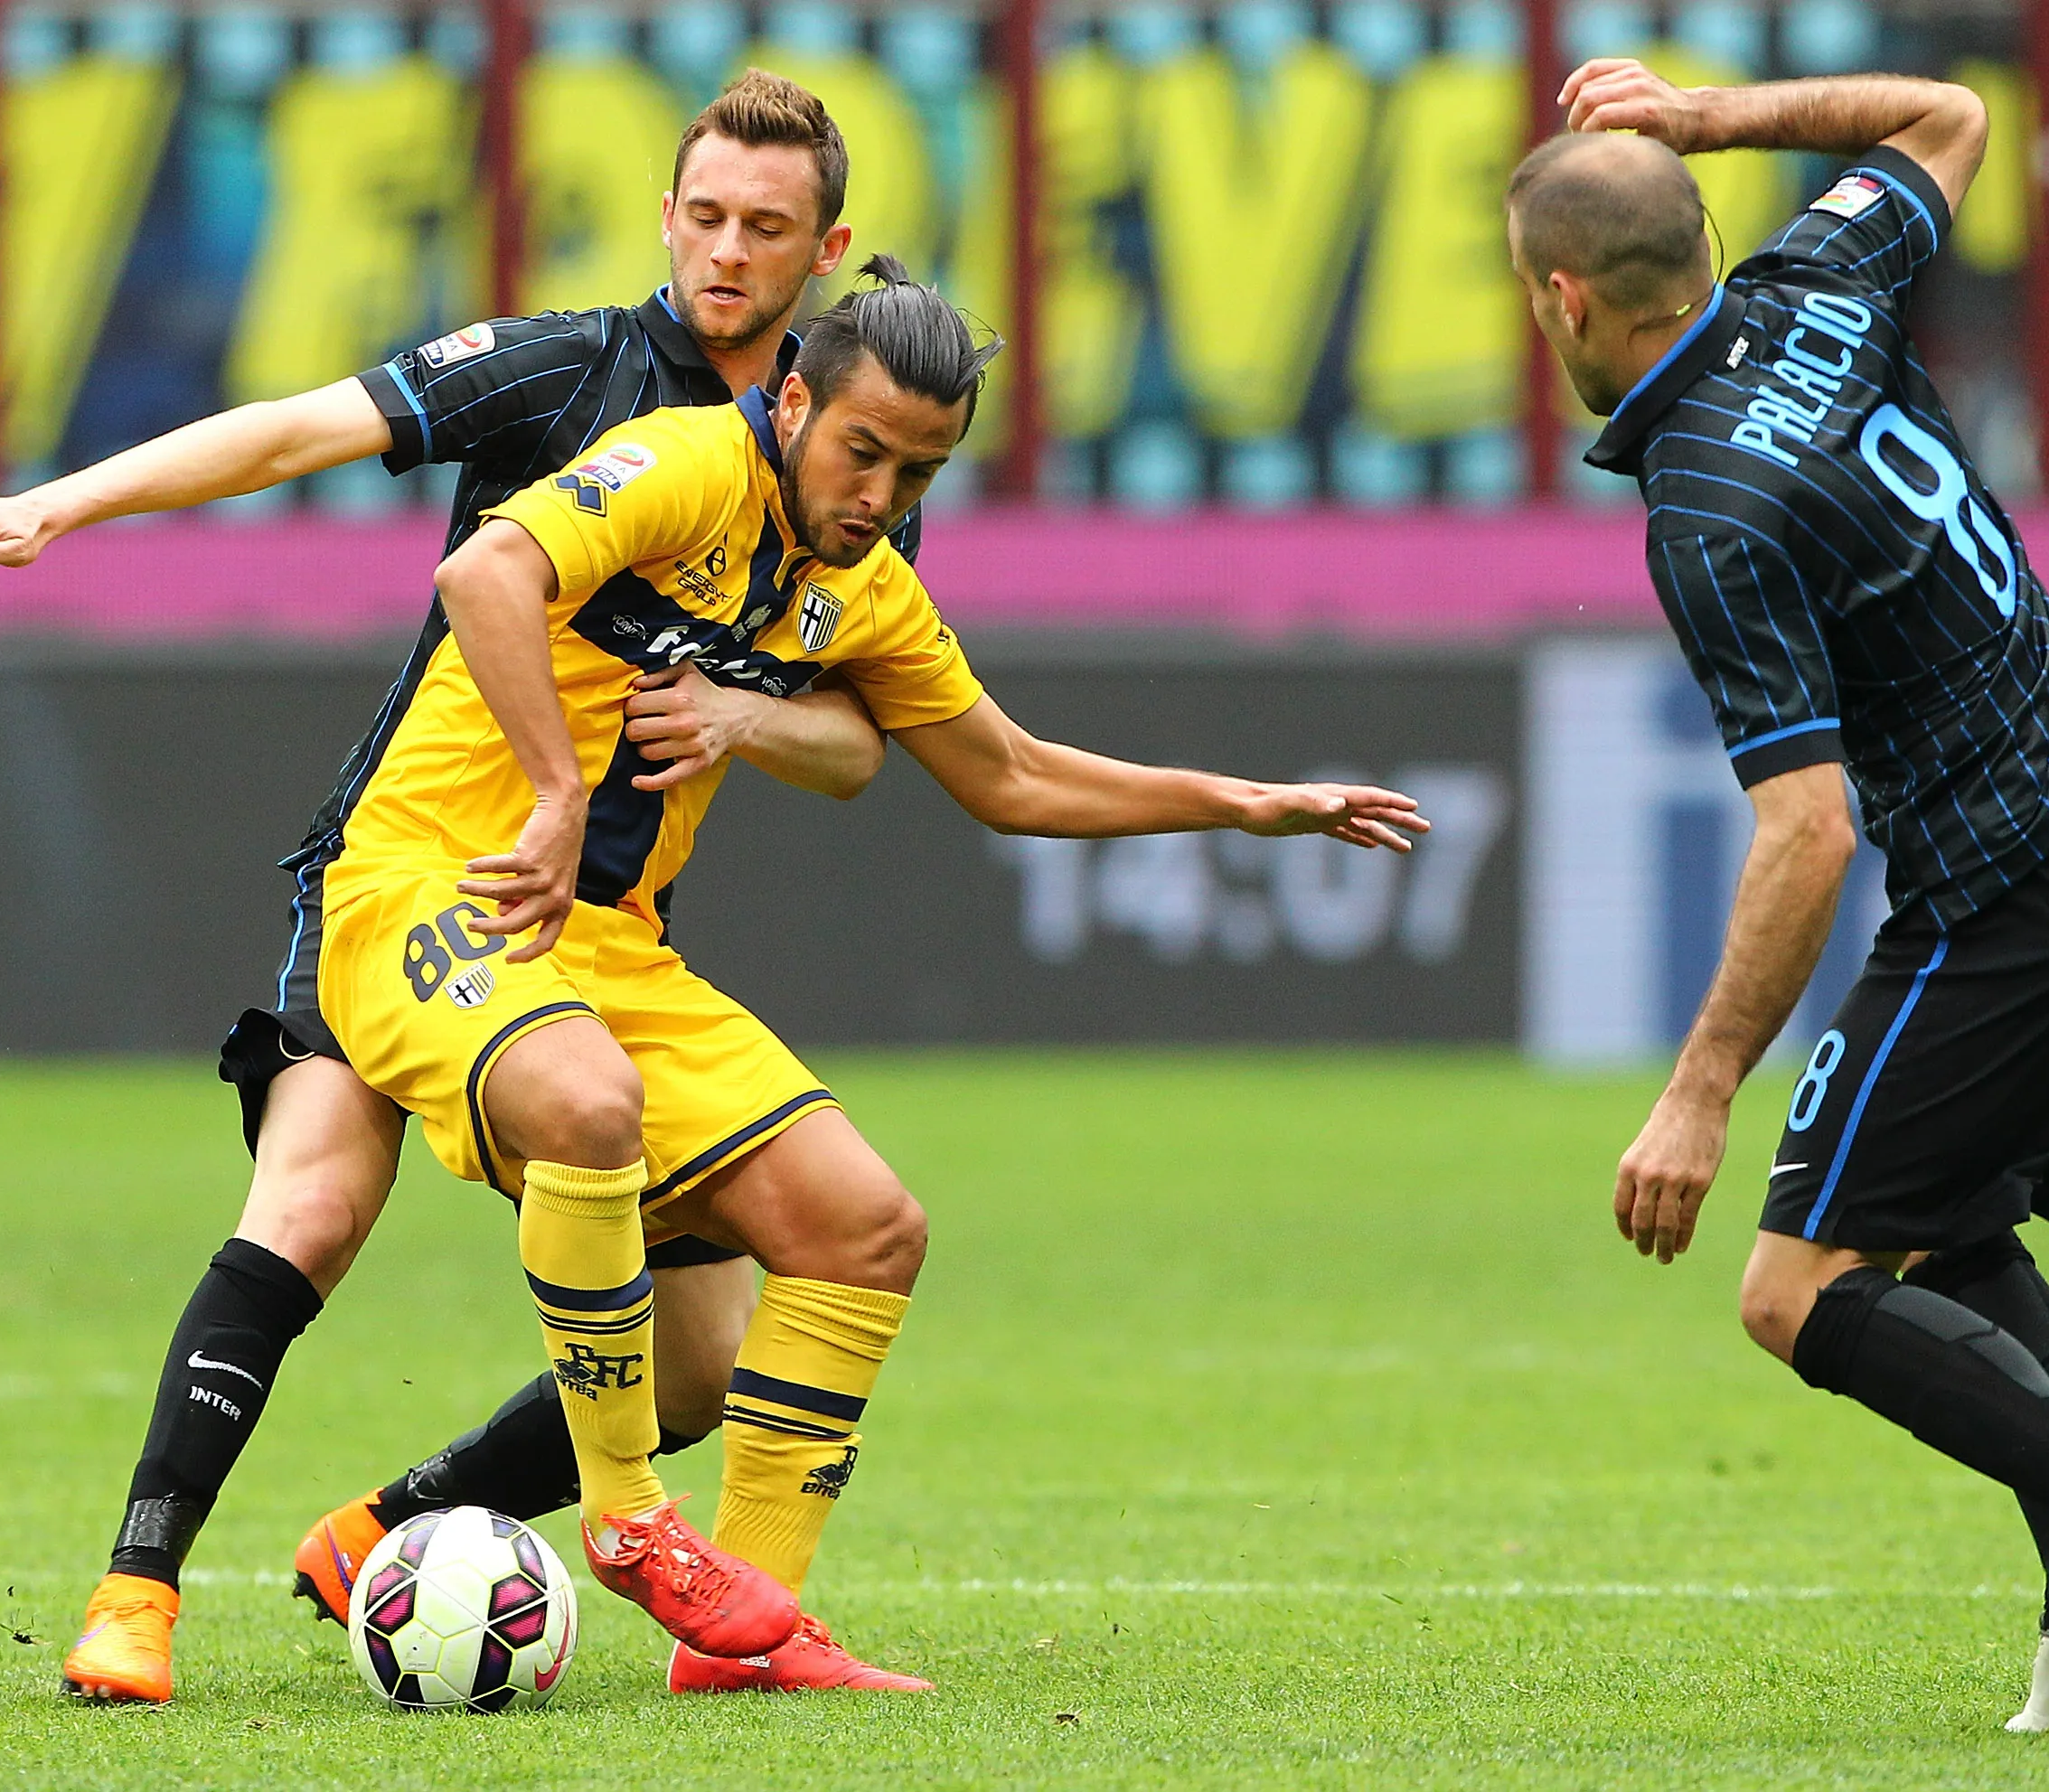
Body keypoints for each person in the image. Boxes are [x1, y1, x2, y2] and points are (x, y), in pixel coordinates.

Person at [0, 70, 902, 1704]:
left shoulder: (840, 433)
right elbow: (301, 425)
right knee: (310, 1208)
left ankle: (390, 1529)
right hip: (418, 872)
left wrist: (742, 717)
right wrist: (52, 503)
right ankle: (132, 1597)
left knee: (703, 1360)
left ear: (825, 247)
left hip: (598, 934)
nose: (726, 250)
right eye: (703, 215)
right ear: (665, 213)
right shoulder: (571, 364)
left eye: (765, 228)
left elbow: (867, 721)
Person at [310, 254, 1425, 1694]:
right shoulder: (685, 460)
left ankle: (752, 1638)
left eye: (920, 471)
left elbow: (1013, 776)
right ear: (788, 400)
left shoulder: (862, 589)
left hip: (608, 943)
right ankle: (629, 1515)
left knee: (865, 1224)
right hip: (431, 885)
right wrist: (551, 790)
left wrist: (1250, 801)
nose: (884, 493)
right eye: (864, 450)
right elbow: (484, 570)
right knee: (591, 1104)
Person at [1509, 61, 2049, 1747]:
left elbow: (1806, 834)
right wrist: (1705, 113)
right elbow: (1944, 117)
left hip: (2024, 881)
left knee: (1796, 1288)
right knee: (1937, 1226)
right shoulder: (1808, 283)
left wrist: (1698, 1090)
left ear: (1562, 298)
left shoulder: (1709, 506)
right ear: (1701, 234)